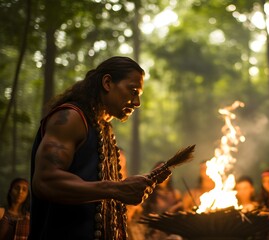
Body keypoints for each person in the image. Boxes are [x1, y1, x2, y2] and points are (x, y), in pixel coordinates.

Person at [29, 56, 171, 240]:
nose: (137, 103)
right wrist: (115, 189)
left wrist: (135, 186)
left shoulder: (102, 126)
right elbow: (45, 182)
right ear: (107, 82)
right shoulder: (71, 118)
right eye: (133, 91)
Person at [141, 162, 183, 240]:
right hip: (154, 230)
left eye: (165, 170)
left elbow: (179, 215)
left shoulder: (175, 194)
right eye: (159, 170)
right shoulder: (149, 193)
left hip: (170, 230)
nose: (162, 173)